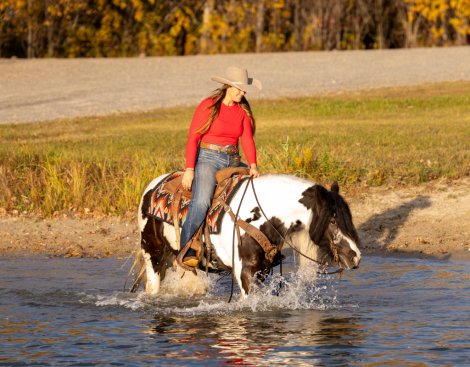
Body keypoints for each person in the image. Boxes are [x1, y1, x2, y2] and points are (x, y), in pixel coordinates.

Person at [178, 66, 262, 267]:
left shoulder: (242, 111)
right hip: (207, 158)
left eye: (244, 90)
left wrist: (253, 166)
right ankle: (187, 249)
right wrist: (190, 169)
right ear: (228, 86)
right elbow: (193, 137)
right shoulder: (208, 106)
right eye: (239, 89)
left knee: (254, 191)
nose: (242, 93)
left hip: (232, 161)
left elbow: (247, 141)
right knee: (202, 201)